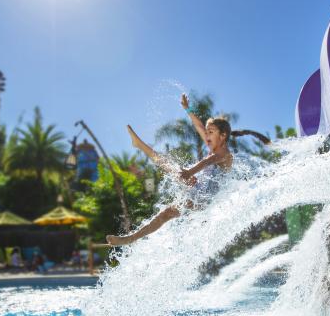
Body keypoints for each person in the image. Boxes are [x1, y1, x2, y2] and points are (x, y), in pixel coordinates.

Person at [106, 94, 270, 246]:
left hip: (206, 201)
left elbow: (208, 161)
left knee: (173, 188)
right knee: (166, 210)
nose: (207, 136)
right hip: (197, 190)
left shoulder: (225, 154)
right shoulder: (213, 145)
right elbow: (198, 125)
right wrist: (187, 109)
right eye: (207, 133)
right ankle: (128, 239)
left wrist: (190, 172)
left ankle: (141, 147)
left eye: (211, 132)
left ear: (223, 135)